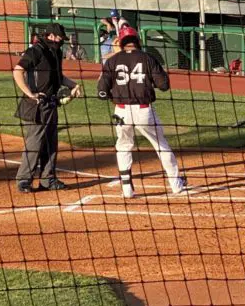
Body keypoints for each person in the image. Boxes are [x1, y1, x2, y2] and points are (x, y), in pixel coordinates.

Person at [97, 26, 187, 198]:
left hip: (121, 111)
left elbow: (101, 92)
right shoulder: (148, 58)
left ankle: (127, 189)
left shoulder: (112, 61)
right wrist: (146, 82)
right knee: (161, 145)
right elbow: (164, 86)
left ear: (121, 43)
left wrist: (114, 93)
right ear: (138, 40)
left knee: (123, 146)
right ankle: (176, 184)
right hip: (144, 110)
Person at [13, 23, 82, 193]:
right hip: (36, 105)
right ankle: (23, 181)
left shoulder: (56, 52)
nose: (61, 41)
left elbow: (58, 76)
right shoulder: (35, 51)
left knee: (51, 144)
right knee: (35, 143)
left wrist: (73, 85)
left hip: (51, 104)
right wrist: (30, 93)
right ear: (51, 36)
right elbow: (17, 71)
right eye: (59, 38)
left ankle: (47, 179)